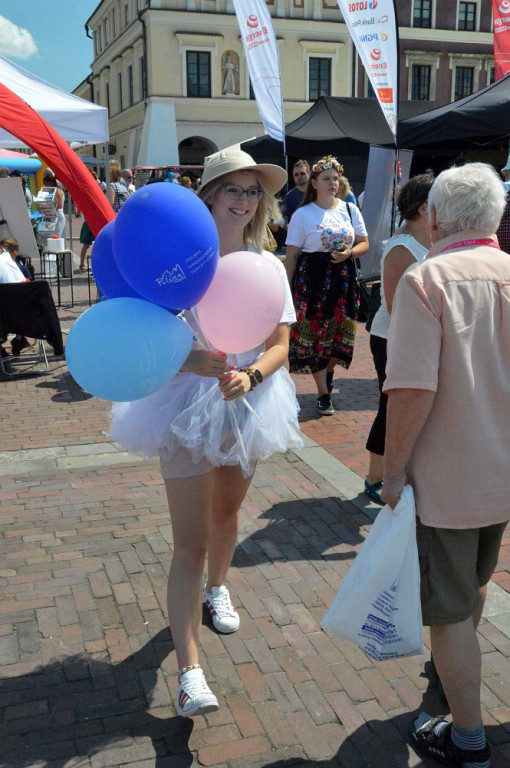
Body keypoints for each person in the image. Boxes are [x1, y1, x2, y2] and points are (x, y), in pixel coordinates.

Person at [109, 148, 303, 718]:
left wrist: (251, 374)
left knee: (226, 514)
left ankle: (219, 587)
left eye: (252, 192)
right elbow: (141, 340)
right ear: (210, 196)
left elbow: (281, 344)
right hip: (182, 406)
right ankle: (189, 673)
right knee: (188, 541)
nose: (244, 201)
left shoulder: (267, 266)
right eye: (232, 190)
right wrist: (187, 361)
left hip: (247, 402)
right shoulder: (172, 262)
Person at [381, 162, 510, 768]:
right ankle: (455, 683)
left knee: (450, 608)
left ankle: (467, 737)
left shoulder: (427, 280)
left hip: (450, 479)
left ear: (434, 217)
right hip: (501, 472)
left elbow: (411, 389)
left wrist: (393, 468)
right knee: (473, 587)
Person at [364, 174, 433, 503]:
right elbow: (394, 305)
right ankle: (374, 476)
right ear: (423, 207)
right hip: (391, 338)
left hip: (414, 338)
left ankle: (400, 472)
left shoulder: (428, 240)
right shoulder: (401, 248)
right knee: (391, 405)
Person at [285, 155, 369, 415]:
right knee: (315, 336)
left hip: (342, 280)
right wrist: (286, 293)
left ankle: (328, 371)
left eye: (335, 178)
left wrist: (349, 254)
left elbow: (365, 243)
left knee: (339, 336)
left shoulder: (349, 209)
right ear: (314, 183)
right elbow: (291, 257)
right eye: (326, 179)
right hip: (312, 281)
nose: (333, 183)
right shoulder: (302, 215)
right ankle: (323, 392)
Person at [0, 237, 31, 358]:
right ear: (15, 253)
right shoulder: (21, 269)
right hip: (26, 319)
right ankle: (19, 338)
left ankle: (1, 349)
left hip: (3, 318)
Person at [42, 170, 66, 237]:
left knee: (57, 234)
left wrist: (52, 210)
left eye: (48, 183)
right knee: (51, 235)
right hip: (51, 215)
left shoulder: (57, 190)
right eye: (45, 183)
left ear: (52, 182)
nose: (47, 185)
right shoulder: (49, 191)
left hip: (57, 214)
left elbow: (60, 205)